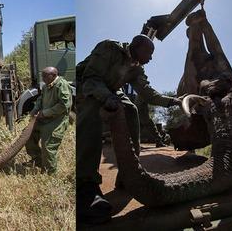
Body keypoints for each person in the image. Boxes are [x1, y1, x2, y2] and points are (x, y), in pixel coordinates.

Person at [75, 34, 181, 224]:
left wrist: (173, 101)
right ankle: (85, 184)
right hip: (86, 84)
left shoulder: (136, 68)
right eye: (149, 52)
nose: (151, 58)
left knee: (131, 110)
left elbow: (147, 94)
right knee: (92, 111)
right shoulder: (109, 48)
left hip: (112, 90)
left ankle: (128, 172)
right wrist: (105, 97)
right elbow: (91, 79)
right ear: (137, 46)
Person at [25, 67, 72, 175]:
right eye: (43, 76)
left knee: (48, 146)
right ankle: (38, 161)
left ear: (54, 75)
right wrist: (35, 110)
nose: (43, 78)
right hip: (44, 119)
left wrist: (45, 113)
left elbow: (64, 105)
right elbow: (40, 99)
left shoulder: (62, 85)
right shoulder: (46, 86)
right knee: (28, 136)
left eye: (45, 76)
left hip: (56, 121)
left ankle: (50, 173)